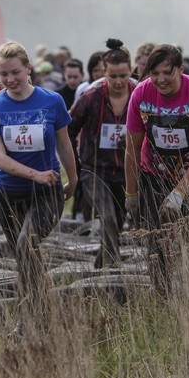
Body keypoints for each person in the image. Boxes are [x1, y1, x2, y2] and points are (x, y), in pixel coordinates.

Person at [0, 40, 77, 339]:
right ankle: (39, 315)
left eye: (15, 73)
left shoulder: (52, 101)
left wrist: (73, 180)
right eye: (3, 75)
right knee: (24, 258)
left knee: (27, 245)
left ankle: (31, 319)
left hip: (46, 191)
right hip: (10, 193)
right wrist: (33, 174)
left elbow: (64, 143)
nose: (10, 80)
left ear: (28, 69)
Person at [124, 44, 189, 295]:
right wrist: (131, 193)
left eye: (167, 73)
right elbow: (131, 146)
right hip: (155, 173)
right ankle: (162, 294)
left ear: (180, 69)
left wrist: (179, 193)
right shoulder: (141, 94)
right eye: (154, 73)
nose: (160, 80)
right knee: (157, 239)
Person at [68, 39, 134, 269]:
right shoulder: (91, 96)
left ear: (131, 71)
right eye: (112, 76)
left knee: (116, 223)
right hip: (94, 169)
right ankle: (115, 269)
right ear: (104, 72)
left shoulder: (139, 95)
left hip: (125, 172)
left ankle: (100, 269)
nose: (118, 81)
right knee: (106, 218)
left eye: (123, 76)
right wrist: (74, 163)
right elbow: (68, 127)